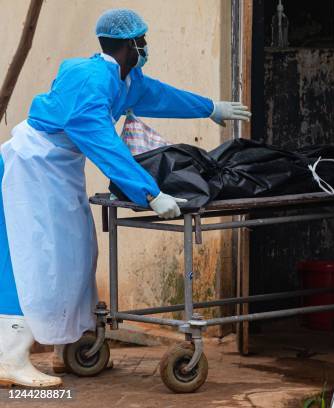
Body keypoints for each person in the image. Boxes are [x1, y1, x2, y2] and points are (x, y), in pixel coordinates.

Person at [0, 9, 251, 387]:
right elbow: (106, 147)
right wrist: (150, 193)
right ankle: (9, 357)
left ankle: (66, 344)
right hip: (29, 171)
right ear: (128, 45)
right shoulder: (88, 82)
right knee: (33, 259)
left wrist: (210, 107)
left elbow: (159, 95)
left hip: (57, 172)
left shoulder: (124, 78)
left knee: (76, 255)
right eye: (143, 41)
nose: (147, 47)